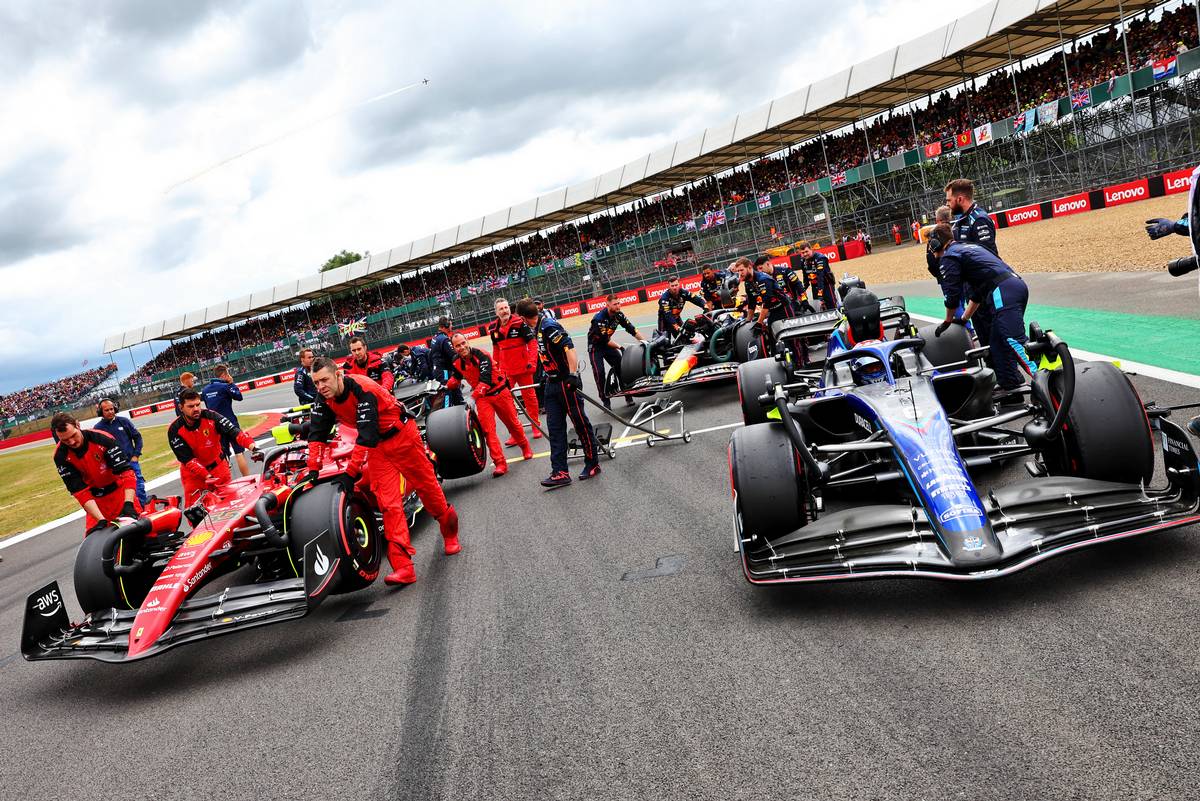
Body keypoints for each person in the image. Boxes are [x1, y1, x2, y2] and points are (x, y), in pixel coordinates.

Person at [305, 357, 459, 585]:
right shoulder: (323, 398)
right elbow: (316, 434)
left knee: (428, 488)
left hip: (403, 437)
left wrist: (350, 473)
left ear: (338, 374)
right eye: (316, 383)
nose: (321, 387)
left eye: (324, 380)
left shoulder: (363, 388)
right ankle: (404, 567)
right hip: (378, 447)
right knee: (388, 504)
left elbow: (365, 435)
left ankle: (450, 533)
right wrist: (313, 469)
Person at [928, 223, 1033, 393]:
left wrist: (947, 321)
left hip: (1003, 293)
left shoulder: (949, 257)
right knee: (998, 343)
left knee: (1015, 342)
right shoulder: (968, 247)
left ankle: (1049, 380)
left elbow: (952, 296)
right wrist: (963, 319)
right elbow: (977, 294)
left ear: (936, 243)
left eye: (931, 243)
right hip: (1014, 287)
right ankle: (1010, 387)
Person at [516, 298, 600, 487]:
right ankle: (560, 472)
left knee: (580, 424)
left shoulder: (548, 326)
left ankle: (593, 463)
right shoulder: (536, 328)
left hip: (565, 382)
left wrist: (571, 374)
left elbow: (568, 347)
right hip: (551, 383)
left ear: (522, 317)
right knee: (555, 430)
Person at [447, 333, 532, 477]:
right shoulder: (455, 361)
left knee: (513, 423)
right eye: (457, 346)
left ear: (467, 341)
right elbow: (456, 377)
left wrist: (472, 398)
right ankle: (500, 463)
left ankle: (525, 446)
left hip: (499, 392)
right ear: (454, 348)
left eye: (463, 343)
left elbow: (485, 380)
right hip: (483, 398)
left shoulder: (482, 355)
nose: (462, 347)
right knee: (487, 430)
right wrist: (445, 386)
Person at [51, 412, 140, 535]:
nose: (71, 442)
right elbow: (79, 491)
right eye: (65, 440)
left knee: (139, 535)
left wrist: (128, 504)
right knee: (94, 545)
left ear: (78, 425)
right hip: (95, 503)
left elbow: (126, 472)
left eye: (73, 436)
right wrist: (101, 519)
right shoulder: (60, 456)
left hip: (120, 495)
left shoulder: (102, 439)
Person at [169, 389, 258, 505]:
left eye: (197, 404)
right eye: (190, 406)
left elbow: (234, 432)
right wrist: (207, 476)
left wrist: (253, 447)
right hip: (194, 476)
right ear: (181, 408)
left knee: (230, 506)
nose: (196, 409)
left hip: (219, 469)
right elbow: (187, 460)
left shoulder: (212, 417)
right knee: (197, 514)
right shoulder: (174, 429)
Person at [946, 179, 999, 350]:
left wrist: (977, 294)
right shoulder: (961, 222)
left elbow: (990, 262)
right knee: (985, 343)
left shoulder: (979, 220)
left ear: (960, 199)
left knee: (997, 343)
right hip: (973, 295)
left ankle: (1011, 376)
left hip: (986, 294)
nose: (948, 205)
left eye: (949, 200)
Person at [488, 297, 542, 441]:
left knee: (530, 398)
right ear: (496, 312)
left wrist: (532, 362)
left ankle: (536, 426)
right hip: (506, 372)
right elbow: (496, 350)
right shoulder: (493, 329)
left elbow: (532, 343)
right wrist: (495, 369)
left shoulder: (520, 323)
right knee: (507, 404)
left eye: (506, 308)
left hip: (524, 369)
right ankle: (515, 433)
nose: (504, 311)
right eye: (501, 309)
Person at [587, 295, 645, 408]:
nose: (618, 306)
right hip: (595, 347)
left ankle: (628, 395)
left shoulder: (619, 315)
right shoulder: (598, 319)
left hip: (608, 344)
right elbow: (605, 340)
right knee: (599, 373)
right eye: (615, 304)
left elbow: (632, 329)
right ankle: (605, 401)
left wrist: (645, 342)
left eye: (619, 303)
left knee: (621, 367)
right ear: (607, 305)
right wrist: (620, 347)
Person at [92, 398, 147, 505]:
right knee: (122, 494)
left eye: (112, 409)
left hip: (131, 463)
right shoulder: (97, 428)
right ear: (101, 412)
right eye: (107, 410)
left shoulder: (124, 421)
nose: (110, 412)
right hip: (113, 469)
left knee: (139, 488)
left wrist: (136, 455)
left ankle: (143, 512)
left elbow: (137, 438)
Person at [201, 364, 250, 477]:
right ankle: (248, 479)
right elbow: (239, 396)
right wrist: (231, 383)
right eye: (228, 374)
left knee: (223, 457)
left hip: (216, 427)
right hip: (230, 424)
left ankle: (227, 483)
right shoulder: (225, 386)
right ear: (224, 375)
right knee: (239, 453)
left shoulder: (205, 390)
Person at [732, 256, 790, 333]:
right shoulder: (747, 282)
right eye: (738, 271)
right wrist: (748, 321)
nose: (740, 273)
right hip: (772, 311)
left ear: (749, 267)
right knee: (772, 335)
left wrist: (759, 322)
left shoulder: (763, 279)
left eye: (742, 270)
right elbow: (752, 303)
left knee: (788, 336)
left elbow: (767, 303)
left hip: (784, 308)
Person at [429, 317, 462, 406]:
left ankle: (460, 406)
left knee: (454, 388)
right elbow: (453, 356)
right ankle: (447, 412)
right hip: (444, 371)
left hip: (438, 370)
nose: (452, 326)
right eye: (450, 324)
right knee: (447, 391)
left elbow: (430, 355)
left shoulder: (435, 337)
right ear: (446, 326)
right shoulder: (444, 339)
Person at [797, 242, 837, 310]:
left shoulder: (820, 258)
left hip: (826, 285)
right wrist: (803, 290)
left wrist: (820, 292)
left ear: (811, 249)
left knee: (832, 307)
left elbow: (820, 276)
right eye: (803, 253)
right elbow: (805, 276)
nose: (805, 254)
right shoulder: (803, 261)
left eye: (806, 251)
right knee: (818, 308)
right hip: (814, 286)